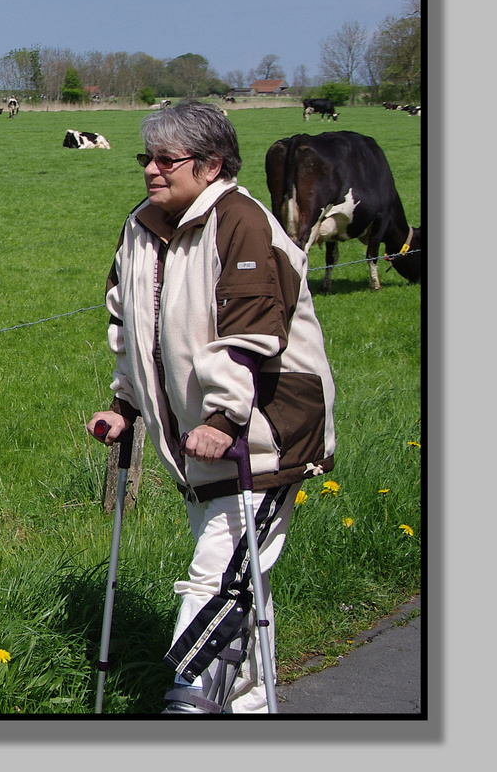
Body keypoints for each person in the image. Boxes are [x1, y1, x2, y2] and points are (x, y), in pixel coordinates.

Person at [87, 102, 336, 714]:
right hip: (200, 445)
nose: (150, 169)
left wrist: (224, 418)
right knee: (241, 579)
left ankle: (190, 698)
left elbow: (249, 332)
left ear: (210, 165)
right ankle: (248, 706)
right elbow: (130, 326)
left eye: (165, 159)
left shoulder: (243, 222)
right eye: (146, 157)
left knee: (217, 573)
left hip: (265, 438)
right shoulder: (142, 226)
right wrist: (126, 404)